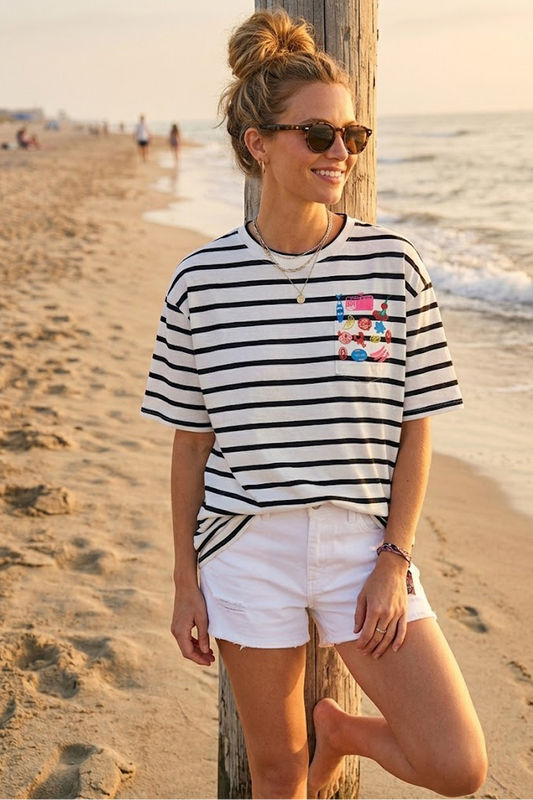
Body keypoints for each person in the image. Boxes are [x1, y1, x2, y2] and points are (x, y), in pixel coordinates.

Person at [141, 9, 487, 799]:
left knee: (456, 764)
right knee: (275, 775)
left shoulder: (391, 264)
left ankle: (345, 731)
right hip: (244, 546)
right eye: (318, 135)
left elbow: (415, 425)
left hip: (362, 548)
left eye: (350, 135)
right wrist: (185, 581)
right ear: (259, 144)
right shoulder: (200, 282)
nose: (340, 153)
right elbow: (191, 442)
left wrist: (394, 559)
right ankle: (318, 742)